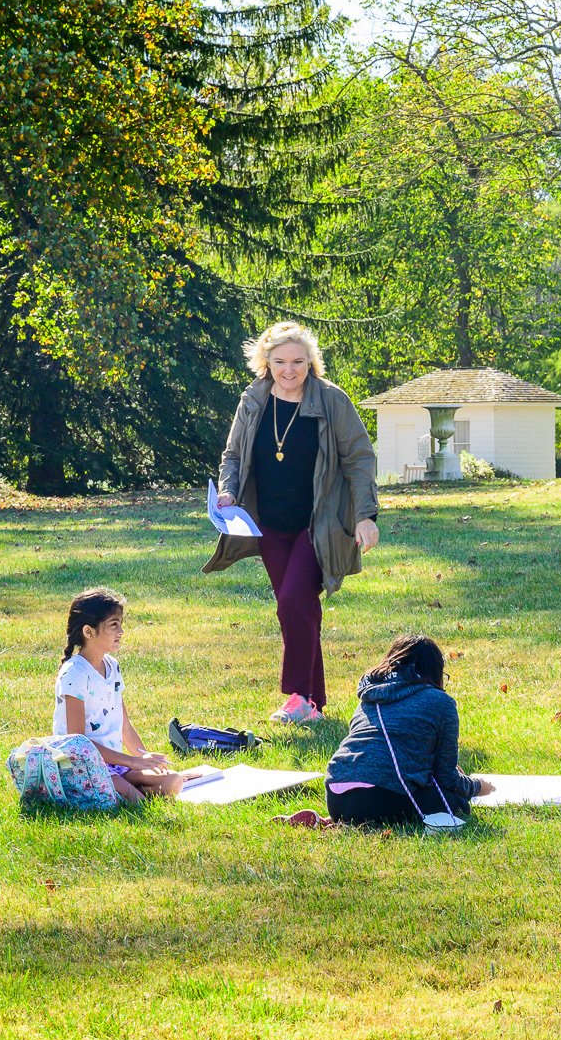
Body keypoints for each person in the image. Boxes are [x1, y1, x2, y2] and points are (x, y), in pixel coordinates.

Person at [207, 321, 379, 725]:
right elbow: (232, 455)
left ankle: (298, 697)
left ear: (310, 362)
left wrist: (365, 516)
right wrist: (228, 491)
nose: (289, 370)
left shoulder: (332, 400)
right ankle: (314, 703)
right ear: (265, 361)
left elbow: (359, 458)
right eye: (280, 361)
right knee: (298, 608)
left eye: (298, 361)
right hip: (268, 525)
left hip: (317, 525)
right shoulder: (253, 399)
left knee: (292, 603)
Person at [320, 635, 495, 828]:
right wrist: (477, 786)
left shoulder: (368, 698)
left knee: (405, 794)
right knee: (457, 803)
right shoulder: (441, 702)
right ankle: (363, 816)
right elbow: (446, 778)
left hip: (335, 795)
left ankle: (344, 819)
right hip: (382, 794)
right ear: (435, 671)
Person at [52, 587, 192, 805]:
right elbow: (77, 742)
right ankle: (128, 792)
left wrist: (146, 760)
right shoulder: (75, 672)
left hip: (114, 765)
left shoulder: (112, 666)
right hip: (82, 765)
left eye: (120, 624)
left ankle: (126, 789)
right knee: (138, 803)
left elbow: (124, 725)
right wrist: (133, 762)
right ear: (89, 632)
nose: (121, 632)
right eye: (113, 625)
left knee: (173, 781)